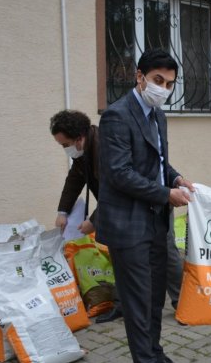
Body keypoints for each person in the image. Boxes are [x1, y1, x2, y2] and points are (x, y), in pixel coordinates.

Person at [96, 49, 195, 363]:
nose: (163, 88)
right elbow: (120, 174)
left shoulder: (158, 115)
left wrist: (177, 177)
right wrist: (167, 194)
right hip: (128, 224)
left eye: (169, 83)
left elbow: (157, 162)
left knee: (154, 299)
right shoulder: (116, 117)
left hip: (155, 220)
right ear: (139, 77)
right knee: (138, 302)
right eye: (157, 81)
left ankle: (155, 355)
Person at [50, 110, 183, 324]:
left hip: (152, 200)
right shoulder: (84, 150)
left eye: (64, 144)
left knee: (165, 252)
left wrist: (93, 221)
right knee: (119, 255)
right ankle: (122, 305)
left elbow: (116, 188)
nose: (64, 149)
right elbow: (74, 180)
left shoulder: (107, 147)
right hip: (121, 206)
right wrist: (63, 212)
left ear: (79, 138)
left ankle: (181, 302)